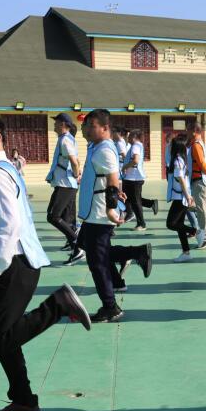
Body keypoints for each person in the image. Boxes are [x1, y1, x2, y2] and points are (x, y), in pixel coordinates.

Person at [0, 112, 91, 411]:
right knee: (4, 338)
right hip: (19, 262)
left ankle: (59, 305)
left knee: (1, 339)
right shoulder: (2, 168)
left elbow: (10, 225)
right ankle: (23, 401)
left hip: (13, 264)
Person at [76, 109, 152, 322]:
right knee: (92, 249)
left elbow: (112, 178)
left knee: (97, 263)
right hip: (93, 212)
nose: (87, 129)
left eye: (91, 126)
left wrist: (111, 207)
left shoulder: (105, 150)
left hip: (100, 214)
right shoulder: (96, 147)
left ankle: (111, 307)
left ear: (105, 128)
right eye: (86, 125)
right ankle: (137, 253)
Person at [45, 113, 83, 264]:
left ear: (63, 124)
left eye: (56, 123)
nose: (54, 125)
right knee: (67, 219)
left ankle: (77, 245)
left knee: (53, 216)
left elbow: (74, 161)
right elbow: (76, 160)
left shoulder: (66, 140)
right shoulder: (67, 139)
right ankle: (74, 245)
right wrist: (77, 173)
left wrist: (75, 174)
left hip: (65, 184)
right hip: (66, 185)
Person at [167, 133, 197, 262]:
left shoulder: (178, 160)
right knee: (179, 225)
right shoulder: (181, 159)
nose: (169, 147)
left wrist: (188, 196)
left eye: (171, 145)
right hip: (180, 197)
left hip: (181, 198)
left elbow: (181, 180)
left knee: (171, 224)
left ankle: (195, 231)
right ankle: (186, 252)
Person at [121, 129, 159, 231]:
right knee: (130, 199)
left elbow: (135, 160)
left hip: (134, 178)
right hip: (132, 177)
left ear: (133, 137)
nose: (127, 137)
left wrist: (124, 167)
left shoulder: (135, 146)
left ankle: (141, 224)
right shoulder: (138, 145)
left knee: (135, 201)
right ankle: (150, 204)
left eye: (129, 136)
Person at [189, 122, 206, 249]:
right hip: (199, 180)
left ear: (194, 131)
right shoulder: (199, 143)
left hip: (199, 181)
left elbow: (200, 162)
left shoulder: (195, 145)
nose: (187, 133)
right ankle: (205, 235)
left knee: (201, 209)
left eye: (188, 130)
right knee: (201, 208)